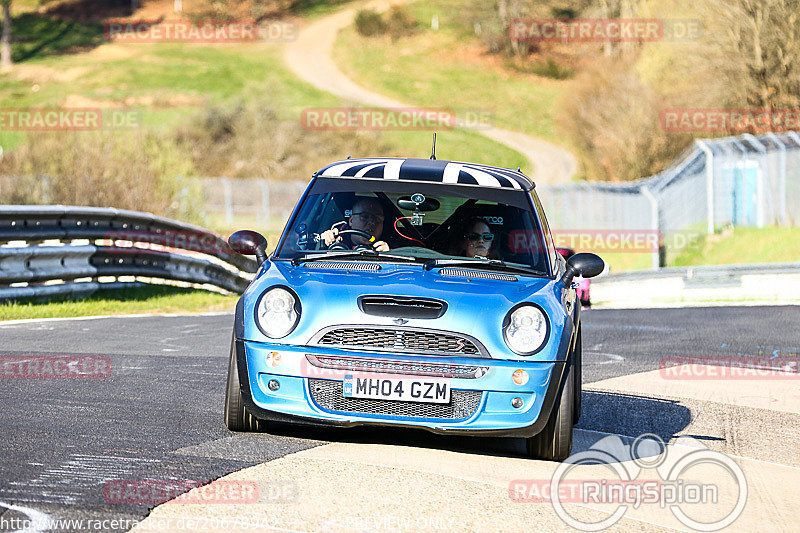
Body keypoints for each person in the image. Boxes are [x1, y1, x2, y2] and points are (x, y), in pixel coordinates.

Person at [319, 197, 391, 252]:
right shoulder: (337, 238)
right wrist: (321, 243)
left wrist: (389, 256)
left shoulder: (391, 245)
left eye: (377, 219)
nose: (372, 222)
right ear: (351, 220)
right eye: (365, 216)